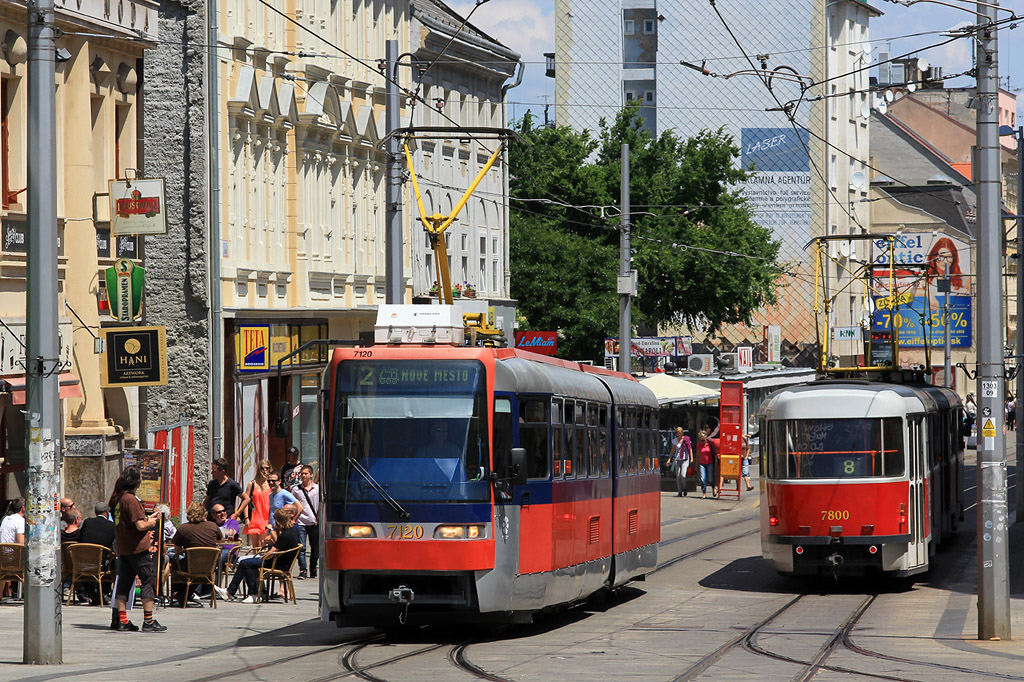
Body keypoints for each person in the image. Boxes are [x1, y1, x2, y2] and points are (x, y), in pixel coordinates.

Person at [109, 466, 167, 633]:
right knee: (148, 579)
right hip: (137, 548)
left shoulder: (119, 498)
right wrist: (151, 522)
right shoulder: (131, 499)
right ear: (136, 481)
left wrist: (147, 518)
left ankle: (122, 620)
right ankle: (148, 620)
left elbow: (130, 523)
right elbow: (141, 526)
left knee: (124, 583)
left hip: (124, 547)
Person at [215, 508, 299, 603]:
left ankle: (251, 593)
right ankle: (231, 592)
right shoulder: (291, 531)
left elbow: (272, 553)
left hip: (278, 563)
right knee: (246, 562)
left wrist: (262, 556)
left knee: (244, 563)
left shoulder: (285, 535)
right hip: (280, 561)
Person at [171, 500, 224, 603]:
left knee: (175, 563)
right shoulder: (213, 526)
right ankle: (188, 594)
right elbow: (221, 541)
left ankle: (179, 594)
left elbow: (177, 549)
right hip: (209, 566)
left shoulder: (183, 528)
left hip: (191, 566)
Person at [291, 464, 319, 579]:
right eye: (302, 474)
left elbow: (321, 506)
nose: (303, 476)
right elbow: (293, 505)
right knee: (301, 548)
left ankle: (313, 567)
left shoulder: (317, 489)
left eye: (306, 473)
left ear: (311, 475)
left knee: (315, 548)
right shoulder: (296, 489)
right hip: (301, 522)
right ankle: (303, 570)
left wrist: (319, 519)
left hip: (314, 522)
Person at [242, 460, 272, 550]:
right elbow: (246, 502)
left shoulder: (272, 484)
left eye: (267, 468)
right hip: (254, 519)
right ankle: (257, 564)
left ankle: (262, 564)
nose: (265, 470)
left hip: (267, 519)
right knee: (255, 548)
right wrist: (246, 518)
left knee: (262, 545)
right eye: (263, 468)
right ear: (259, 469)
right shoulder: (252, 484)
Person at [695, 430, 719, 500]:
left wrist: (716, 461)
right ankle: (704, 493)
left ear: (706, 438)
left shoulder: (710, 444)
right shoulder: (699, 445)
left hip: (710, 463)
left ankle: (713, 487)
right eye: (701, 440)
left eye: (703, 440)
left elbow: (715, 452)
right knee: (702, 479)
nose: (702, 442)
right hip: (702, 463)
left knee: (710, 478)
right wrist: (696, 466)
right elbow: (697, 455)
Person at [669, 427, 691, 497]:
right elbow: (672, 450)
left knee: (683, 475)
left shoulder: (686, 439)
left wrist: (692, 458)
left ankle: (684, 488)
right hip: (677, 459)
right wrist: (669, 459)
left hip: (685, 459)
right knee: (678, 476)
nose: (679, 434)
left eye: (680, 432)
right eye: (678, 433)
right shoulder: (675, 440)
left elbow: (690, 449)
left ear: (682, 433)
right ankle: (680, 491)